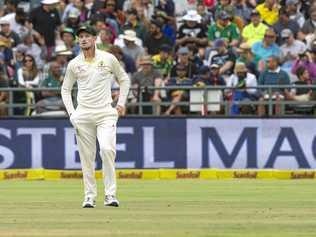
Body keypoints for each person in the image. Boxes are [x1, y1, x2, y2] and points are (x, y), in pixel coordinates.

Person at [61, 24, 130, 208]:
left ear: (94, 38)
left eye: (87, 36)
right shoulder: (74, 63)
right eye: (80, 36)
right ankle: (89, 196)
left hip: (106, 112)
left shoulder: (108, 58)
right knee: (87, 157)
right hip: (83, 115)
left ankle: (110, 195)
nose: (83, 39)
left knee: (107, 150)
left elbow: (124, 79)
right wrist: (72, 114)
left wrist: (121, 103)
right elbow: (65, 89)